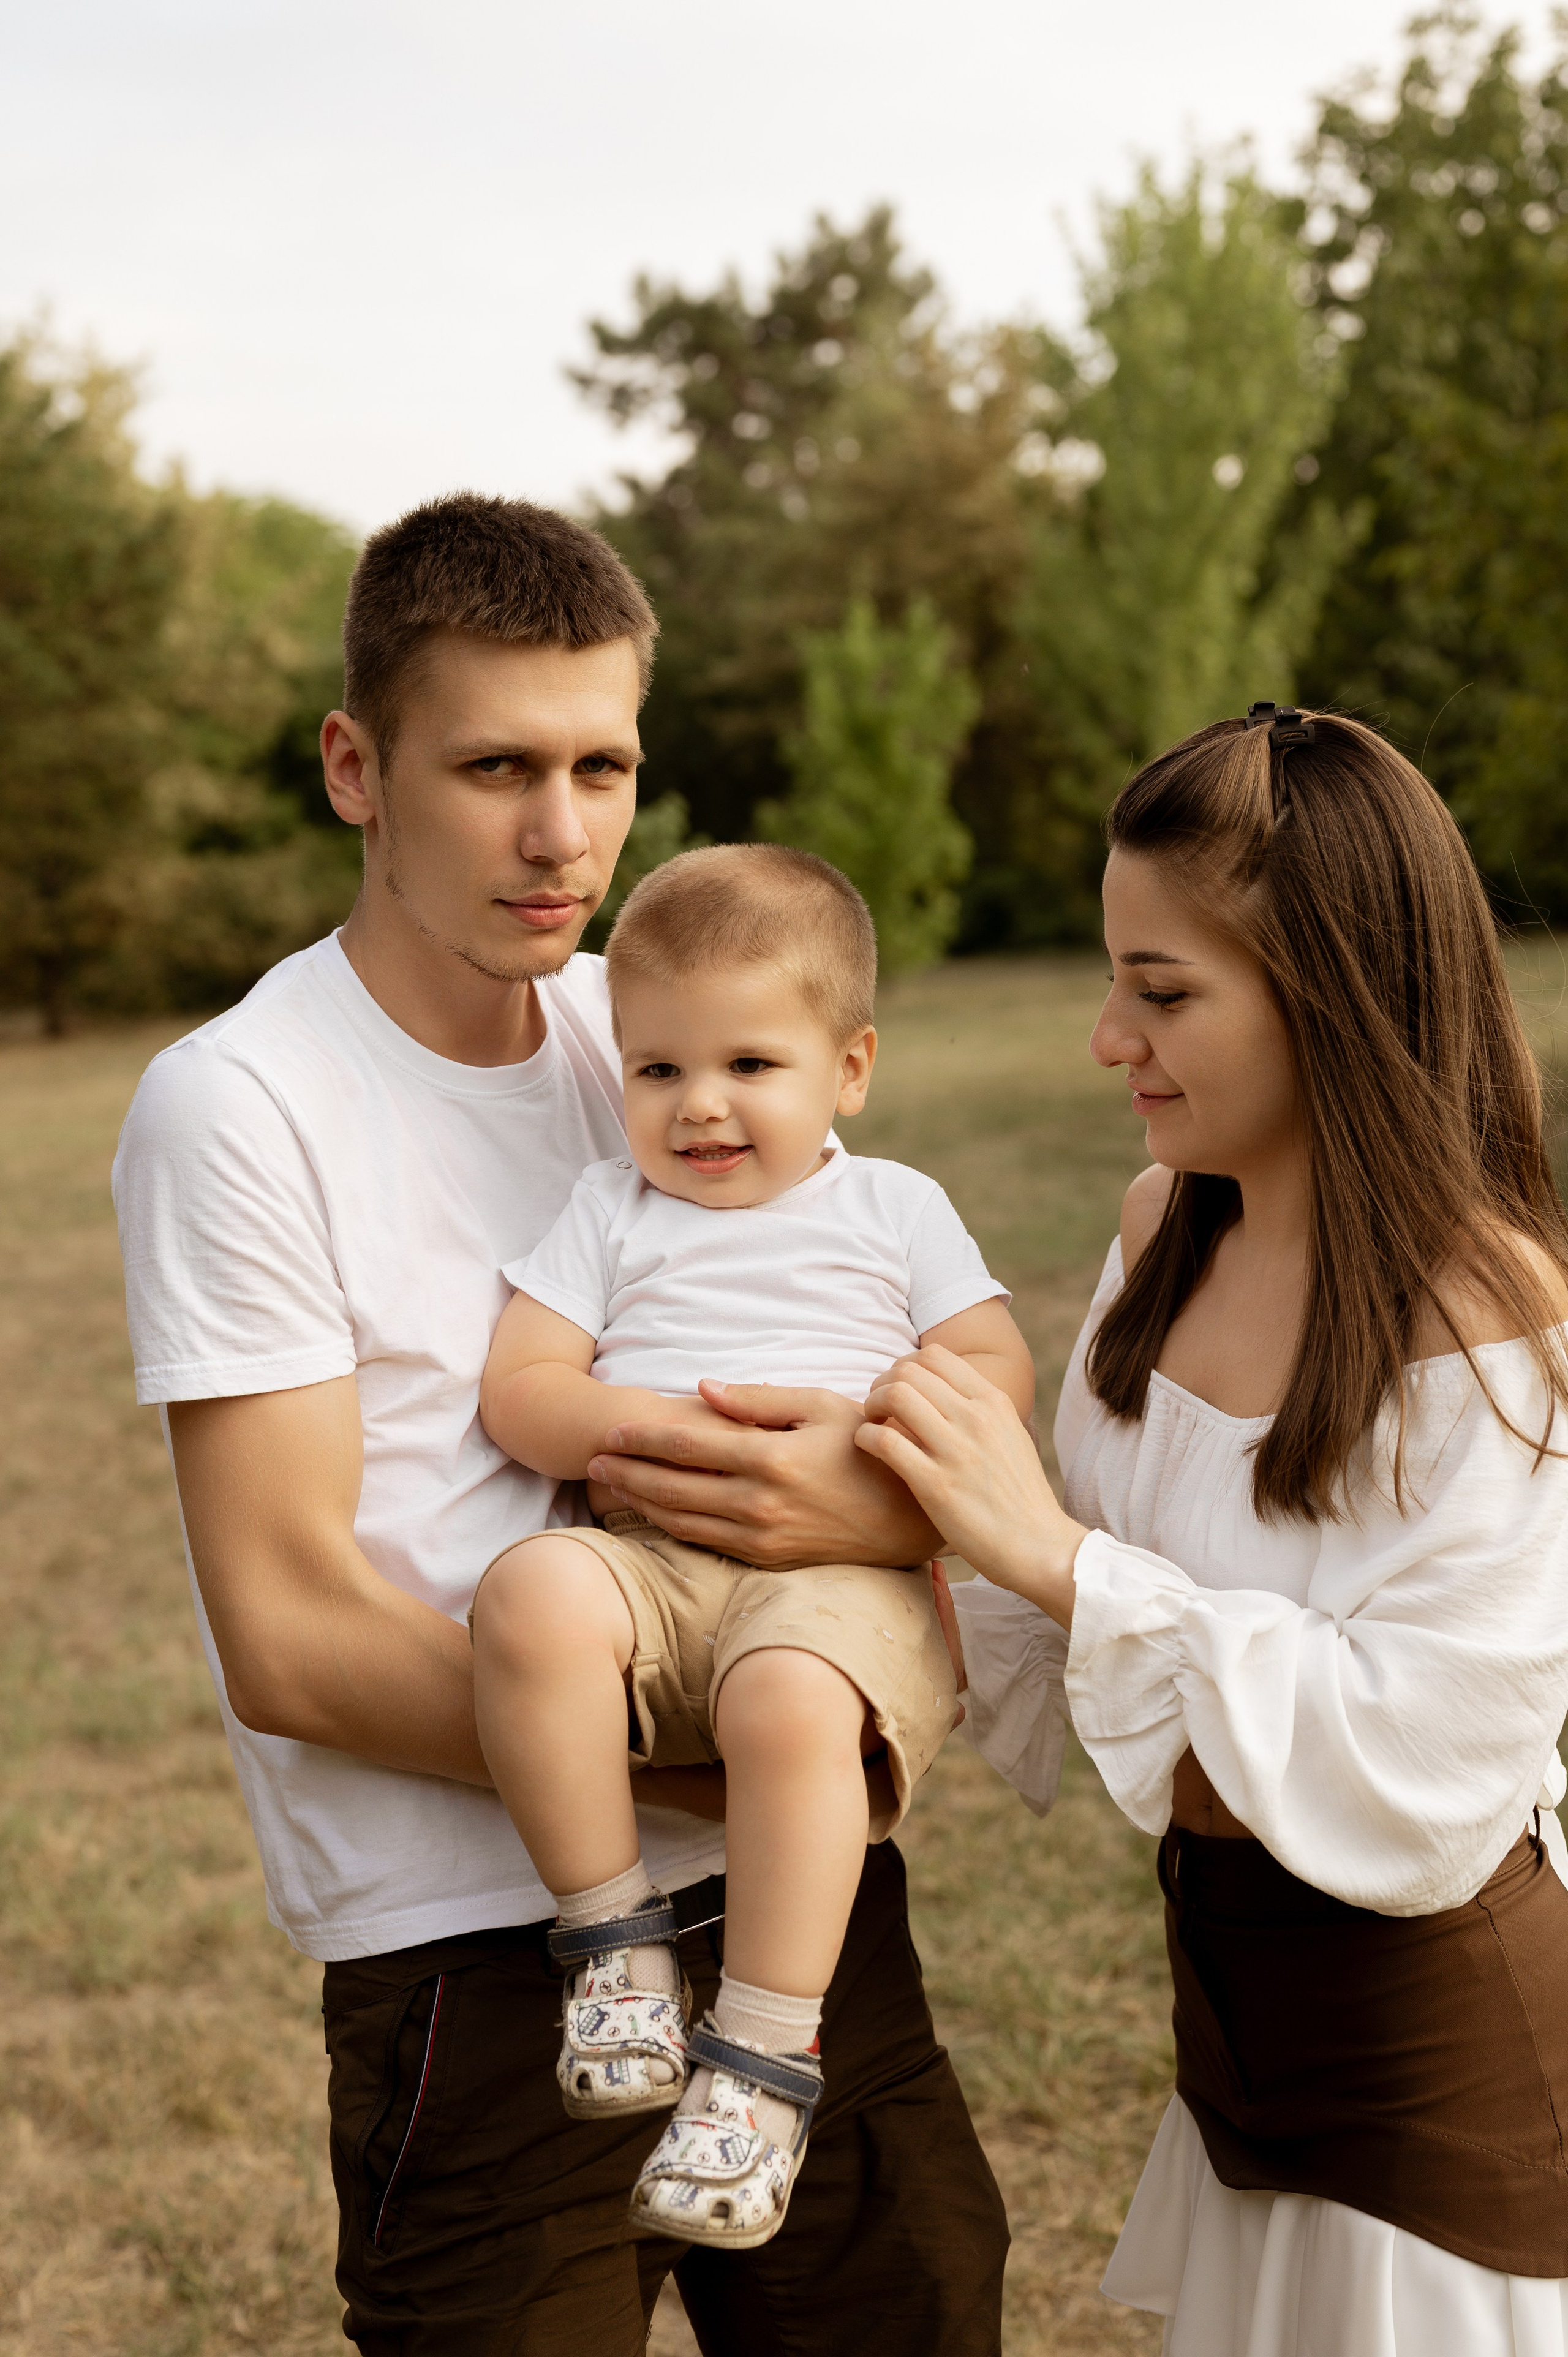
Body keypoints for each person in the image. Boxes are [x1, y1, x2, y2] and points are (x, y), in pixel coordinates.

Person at [111, 492, 1009, 2357]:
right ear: (356, 766)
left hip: (795, 1929)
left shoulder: (654, 1031)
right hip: (479, 1956)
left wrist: (854, 1516)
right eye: (496, 766)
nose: (561, 834)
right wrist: (762, 1785)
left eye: (603, 764)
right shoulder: (243, 1107)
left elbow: (906, 1342)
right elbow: (288, 1638)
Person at [864, 707, 1568, 2354]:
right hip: (1235, 2040)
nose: (1113, 1038)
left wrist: (1047, 1556)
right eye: (1119, 979)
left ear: (1333, 993)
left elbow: (1431, 1764)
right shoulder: (1164, 1231)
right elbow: (1077, 1623)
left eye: (1165, 991)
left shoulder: (1492, 1319)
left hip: (1436, 2086)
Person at [472, 840, 1033, 2250]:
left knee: (789, 1703)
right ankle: (612, 1944)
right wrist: (638, 1422)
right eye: (656, 1070)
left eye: (749, 1067)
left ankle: (760, 2062)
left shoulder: (891, 1207)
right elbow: (522, 1391)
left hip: (836, 1581)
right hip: (650, 1562)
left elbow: (993, 1370)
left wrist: (879, 1449)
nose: (699, 1106)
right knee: (530, 1593)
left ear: (847, 1067)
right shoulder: (609, 1210)